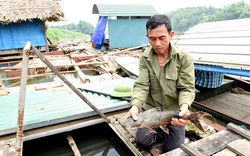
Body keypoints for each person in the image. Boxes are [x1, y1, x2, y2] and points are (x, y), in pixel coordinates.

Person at [124, 14, 195, 152]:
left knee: (173, 149)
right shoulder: (145, 58)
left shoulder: (184, 57)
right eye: (152, 39)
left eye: (162, 38)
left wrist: (184, 108)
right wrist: (135, 106)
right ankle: (160, 131)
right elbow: (142, 85)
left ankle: (175, 132)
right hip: (151, 112)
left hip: (173, 112)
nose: (157, 43)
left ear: (171, 35)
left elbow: (187, 88)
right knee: (142, 143)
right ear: (147, 37)